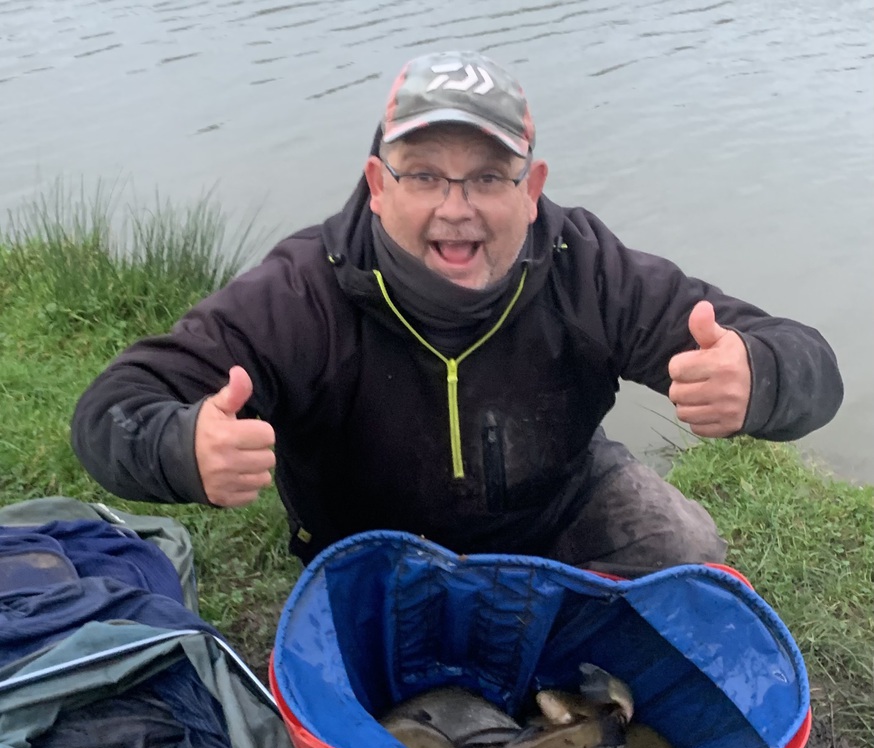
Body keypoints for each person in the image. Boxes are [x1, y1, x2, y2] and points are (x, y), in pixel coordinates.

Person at [71, 50, 843, 578]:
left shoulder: (587, 268)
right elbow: (113, 408)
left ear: (531, 188)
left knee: (687, 546)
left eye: (487, 178)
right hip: (371, 550)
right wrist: (182, 446)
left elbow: (805, 356)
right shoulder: (302, 292)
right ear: (378, 185)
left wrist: (761, 375)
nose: (456, 208)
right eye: (424, 176)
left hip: (556, 511)